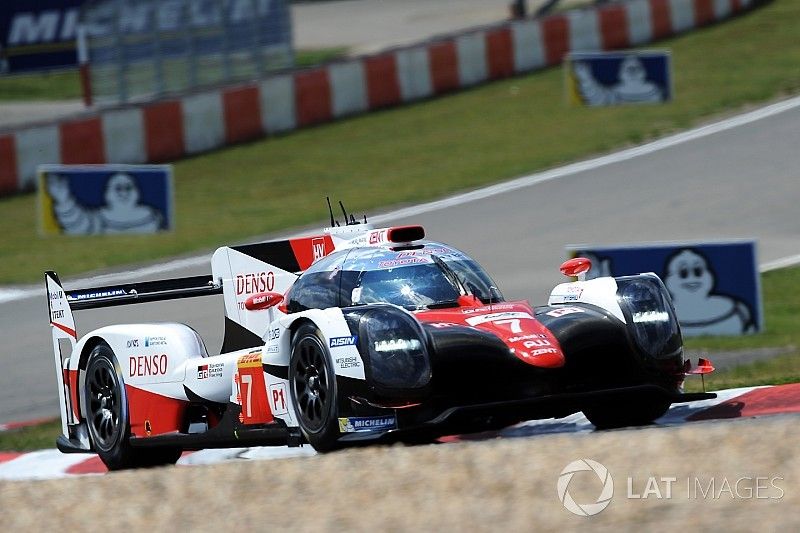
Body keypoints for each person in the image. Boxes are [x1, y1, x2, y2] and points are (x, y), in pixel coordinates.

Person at [663, 249, 755, 335]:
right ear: (668, 279)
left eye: (698, 271)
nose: (692, 278)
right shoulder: (661, 314)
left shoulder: (737, 309)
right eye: (683, 273)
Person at [47, 172, 165, 234]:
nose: (124, 192)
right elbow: (77, 224)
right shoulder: (99, 218)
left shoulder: (153, 216)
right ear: (108, 194)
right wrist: (64, 200)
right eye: (118, 188)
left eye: (128, 187)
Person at [574, 55, 663, 106]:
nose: (632, 72)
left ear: (644, 72)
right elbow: (597, 98)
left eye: (636, 68)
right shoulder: (614, 94)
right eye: (628, 69)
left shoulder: (656, 91)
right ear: (621, 75)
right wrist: (586, 78)